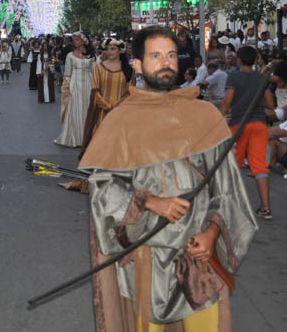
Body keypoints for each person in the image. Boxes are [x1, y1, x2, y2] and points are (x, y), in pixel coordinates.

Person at [80, 25, 257, 332]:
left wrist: (213, 232)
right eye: (156, 55)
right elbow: (103, 191)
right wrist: (150, 202)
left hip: (200, 259)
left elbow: (229, 189)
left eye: (172, 55)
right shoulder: (120, 121)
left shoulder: (205, 115)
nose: (166, 62)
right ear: (137, 64)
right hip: (147, 261)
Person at [219, 45, 274, 220]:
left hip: (238, 125)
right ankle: (265, 208)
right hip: (259, 125)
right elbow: (270, 104)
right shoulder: (261, 78)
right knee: (260, 166)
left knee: (233, 166)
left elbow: (227, 101)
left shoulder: (233, 77)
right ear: (255, 60)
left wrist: (219, 118)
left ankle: (231, 207)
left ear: (239, 60)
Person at [81, 38, 133, 153]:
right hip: (101, 112)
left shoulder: (128, 70)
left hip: (120, 112)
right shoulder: (99, 68)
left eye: (113, 49)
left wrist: (115, 106)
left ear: (120, 51)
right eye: (107, 49)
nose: (109, 52)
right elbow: (95, 90)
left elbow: (130, 92)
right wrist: (107, 106)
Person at [55, 33, 95, 147]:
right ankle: (74, 137)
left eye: (77, 40)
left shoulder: (90, 56)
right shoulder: (70, 56)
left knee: (87, 109)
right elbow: (67, 74)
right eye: (74, 40)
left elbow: (94, 72)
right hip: (75, 85)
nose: (75, 42)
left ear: (82, 41)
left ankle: (87, 137)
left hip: (88, 84)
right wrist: (66, 88)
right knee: (74, 109)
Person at [33, 39, 55, 104]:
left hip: (49, 71)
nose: (45, 47)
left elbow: (52, 62)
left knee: (49, 84)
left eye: (46, 46)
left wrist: (46, 68)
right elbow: (38, 63)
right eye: (44, 46)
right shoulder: (40, 55)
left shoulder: (51, 55)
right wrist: (39, 72)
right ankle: (43, 98)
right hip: (42, 70)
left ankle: (49, 98)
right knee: (42, 84)